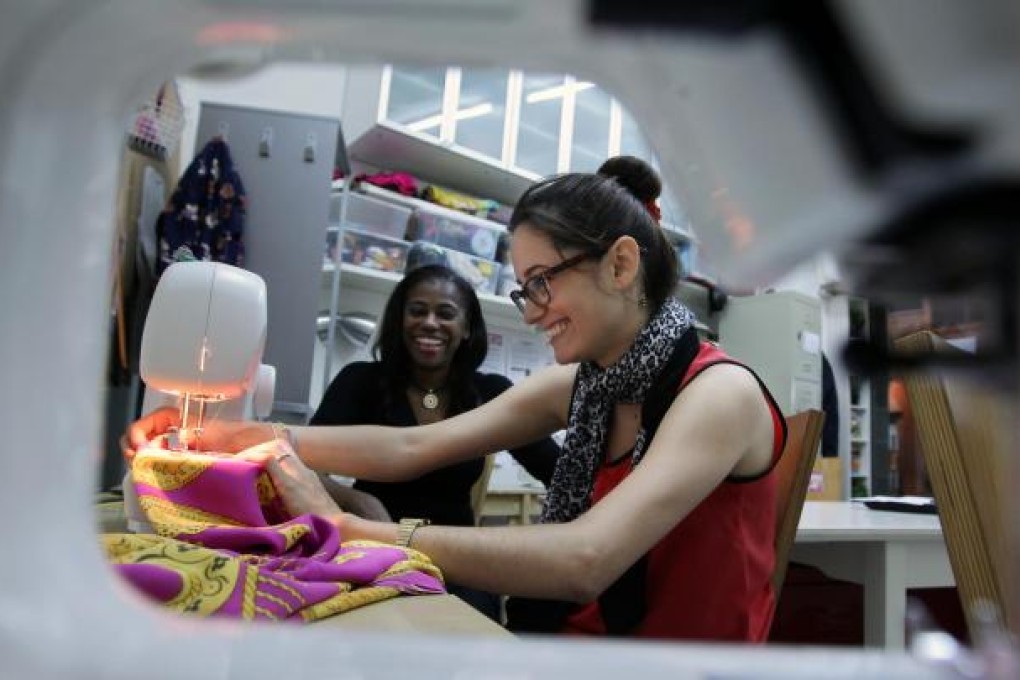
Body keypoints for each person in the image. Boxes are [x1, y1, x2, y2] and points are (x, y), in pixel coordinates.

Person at [129, 165, 787, 642]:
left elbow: (585, 560)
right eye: (523, 289)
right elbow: (412, 446)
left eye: (540, 284)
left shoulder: (718, 395)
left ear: (620, 265)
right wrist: (238, 436)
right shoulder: (590, 386)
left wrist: (355, 530)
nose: (531, 313)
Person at [310, 262, 561, 619]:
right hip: (373, 548)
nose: (430, 323)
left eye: (445, 313)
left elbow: (557, 470)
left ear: (465, 329)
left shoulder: (489, 394)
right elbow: (293, 462)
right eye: (417, 311)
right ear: (400, 320)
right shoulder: (361, 381)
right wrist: (354, 498)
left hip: (457, 560)